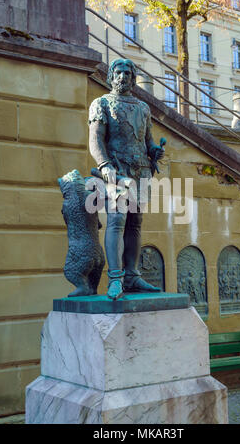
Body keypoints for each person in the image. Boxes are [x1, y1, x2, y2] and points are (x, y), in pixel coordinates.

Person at [89, 58, 164, 300]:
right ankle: (115, 278)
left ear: (133, 78)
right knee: (117, 220)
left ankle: (132, 274)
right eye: (118, 72)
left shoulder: (143, 108)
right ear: (111, 76)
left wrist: (154, 150)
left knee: (135, 222)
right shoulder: (101, 103)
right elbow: (96, 140)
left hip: (141, 170)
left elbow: (148, 140)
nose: (122, 77)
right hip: (117, 170)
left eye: (127, 73)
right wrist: (104, 165)